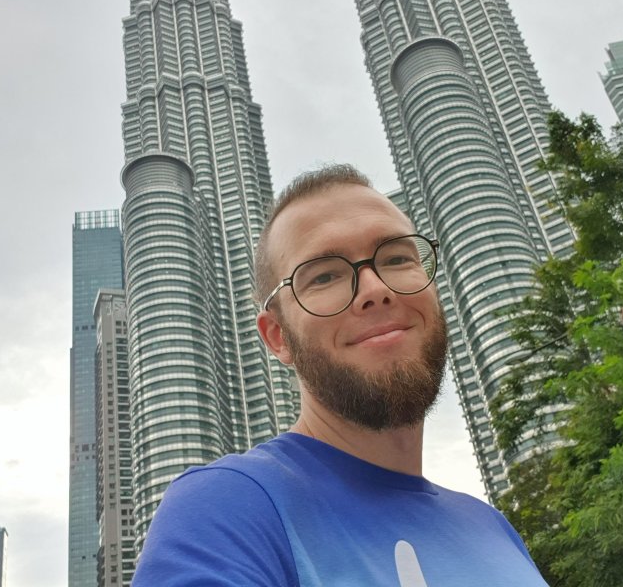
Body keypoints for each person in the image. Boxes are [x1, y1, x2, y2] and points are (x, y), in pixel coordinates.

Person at [132, 164, 548, 586]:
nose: (375, 289)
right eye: (325, 275)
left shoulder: (493, 528)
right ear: (278, 337)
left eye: (397, 257)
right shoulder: (227, 509)